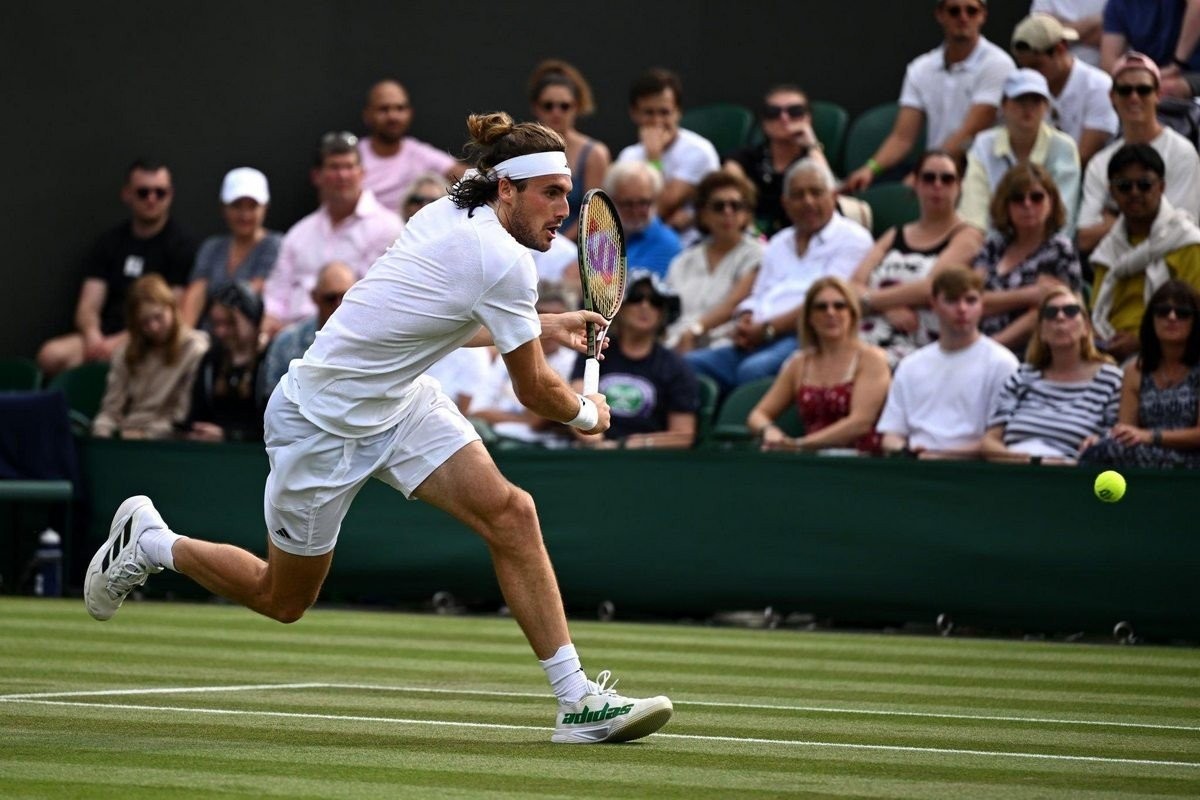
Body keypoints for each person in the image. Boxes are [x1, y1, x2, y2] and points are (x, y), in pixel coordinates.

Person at [84, 111, 673, 746]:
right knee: (282, 599)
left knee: (512, 513)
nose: (564, 208)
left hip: (399, 404)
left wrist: (543, 324)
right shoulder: (503, 260)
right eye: (550, 193)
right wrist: (588, 414)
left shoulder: (455, 210)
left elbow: (432, 318)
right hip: (320, 423)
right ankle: (150, 543)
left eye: (568, 192)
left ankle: (576, 701)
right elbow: (535, 390)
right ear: (506, 190)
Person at [686, 158, 874, 394]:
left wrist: (767, 329)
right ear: (785, 203)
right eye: (798, 195)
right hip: (758, 337)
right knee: (688, 366)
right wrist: (746, 317)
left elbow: (825, 302)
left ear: (834, 196)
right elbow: (759, 294)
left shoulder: (852, 239)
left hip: (806, 337)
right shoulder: (778, 242)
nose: (808, 201)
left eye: (816, 193)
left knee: (753, 371)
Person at [37, 159, 197, 377]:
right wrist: (94, 337)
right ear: (127, 194)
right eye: (143, 192)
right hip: (102, 337)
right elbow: (88, 306)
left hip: (149, 339)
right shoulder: (110, 242)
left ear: (170, 195)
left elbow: (172, 312)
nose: (151, 199)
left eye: (160, 192)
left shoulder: (181, 246)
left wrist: (119, 342)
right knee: (52, 355)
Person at [842, 0, 1015, 193]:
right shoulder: (920, 68)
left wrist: (924, 172)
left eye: (971, 11)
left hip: (983, 174)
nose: (963, 18)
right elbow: (902, 137)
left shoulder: (998, 65)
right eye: (954, 11)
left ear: (983, 15)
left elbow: (969, 132)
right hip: (935, 172)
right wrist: (870, 169)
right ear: (940, 15)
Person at [261, 131, 404, 337]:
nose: (343, 175)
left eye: (349, 167)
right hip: (291, 337)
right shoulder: (299, 233)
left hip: (353, 336)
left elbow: (376, 298)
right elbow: (276, 291)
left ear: (362, 173)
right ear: (316, 176)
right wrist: (271, 319)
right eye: (334, 167)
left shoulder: (388, 227)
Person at [851, 150, 983, 369]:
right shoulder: (894, 234)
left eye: (947, 179)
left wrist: (869, 301)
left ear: (959, 186)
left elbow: (932, 287)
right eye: (929, 178)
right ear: (917, 183)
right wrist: (888, 308)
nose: (937, 185)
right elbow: (852, 286)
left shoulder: (967, 236)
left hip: (918, 347)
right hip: (866, 335)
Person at [876, 266, 1019, 457]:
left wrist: (942, 456)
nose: (962, 309)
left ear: (982, 304)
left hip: (976, 471)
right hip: (914, 468)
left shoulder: (1002, 363)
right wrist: (905, 452)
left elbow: (1001, 439)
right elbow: (892, 434)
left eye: (971, 300)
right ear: (933, 304)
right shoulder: (910, 365)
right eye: (952, 300)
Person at [747, 277, 890, 454]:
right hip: (812, 461)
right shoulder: (799, 363)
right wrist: (768, 430)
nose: (830, 313)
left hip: (860, 462)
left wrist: (800, 444)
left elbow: (860, 423)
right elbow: (758, 414)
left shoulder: (871, 358)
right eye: (821, 307)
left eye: (839, 306)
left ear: (852, 314)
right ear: (809, 318)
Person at [1076, 53, 1200, 254]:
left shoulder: (1182, 152)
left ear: (1158, 95)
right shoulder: (1100, 162)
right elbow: (1085, 238)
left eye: (1143, 90)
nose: (1134, 98)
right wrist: (1147, 214)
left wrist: (1114, 219)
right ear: (1112, 97)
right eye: (1125, 90)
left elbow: (1180, 231)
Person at [982, 286, 1122, 463]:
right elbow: (990, 441)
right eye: (1050, 313)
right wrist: (1029, 462)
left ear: (1086, 327)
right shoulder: (1023, 375)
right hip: (1014, 472)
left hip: (1068, 477)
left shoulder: (1111, 379)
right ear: (1040, 331)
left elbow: (1114, 441)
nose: (1060, 317)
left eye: (1071, 311)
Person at [1090, 144, 1200, 362]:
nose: (1134, 193)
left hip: (1168, 354)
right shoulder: (1108, 250)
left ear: (1161, 187)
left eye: (1144, 185)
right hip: (1106, 354)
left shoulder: (1187, 242)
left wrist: (1141, 340)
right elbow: (1096, 313)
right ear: (1112, 192)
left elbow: (1195, 317)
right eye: (1124, 186)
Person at [571, 272, 698, 449]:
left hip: (646, 462)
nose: (645, 306)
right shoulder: (594, 351)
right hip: (592, 453)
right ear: (618, 307)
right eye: (636, 298)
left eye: (655, 301)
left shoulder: (675, 366)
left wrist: (628, 445)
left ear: (663, 314)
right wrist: (597, 443)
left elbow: (684, 435)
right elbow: (576, 403)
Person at [1081, 280, 1200, 468]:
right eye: (1162, 311)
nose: (1171, 317)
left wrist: (1152, 436)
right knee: (1099, 449)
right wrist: (1103, 439)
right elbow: (1127, 430)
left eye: (1182, 313)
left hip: (1193, 457)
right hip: (1148, 454)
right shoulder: (1135, 370)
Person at [973, 163, 1082, 354]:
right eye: (1018, 199)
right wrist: (1030, 294)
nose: (1027, 204)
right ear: (1005, 205)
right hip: (978, 340)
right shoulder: (994, 245)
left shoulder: (1059, 249)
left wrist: (990, 347)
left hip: (1029, 354)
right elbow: (972, 300)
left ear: (1052, 202)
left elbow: (1051, 311)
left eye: (1036, 197)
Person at [959, 69, 1081, 236]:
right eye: (1020, 100)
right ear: (1004, 105)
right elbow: (973, 214)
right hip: (989, 248)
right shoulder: (983, 144)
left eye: (1036, 101)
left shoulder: (1064, 147)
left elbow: (1062, 218)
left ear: (1046, 107)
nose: (1028, 108)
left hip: (1049, 250)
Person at [91, 274, 210, 440]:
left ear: (172, 308)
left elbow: (181, 417)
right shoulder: (125, 353)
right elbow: (111, 410)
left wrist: (144, 436)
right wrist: (102, 433)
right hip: (126, 435)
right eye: (145, 322)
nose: (153, 327)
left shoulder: (196, 350)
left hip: (167, 441)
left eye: (158, 317)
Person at [664, 171, 761, 353]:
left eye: (736, 205)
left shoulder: (757, 255)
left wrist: (693, 332)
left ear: (746, 214)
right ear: (703, 215)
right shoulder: (683, 261)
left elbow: (733, 304)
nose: (728, 212)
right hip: (674, 344)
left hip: (724, 346)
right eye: (719, 206)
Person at [616, 68, 720, 231]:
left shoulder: (699, 151)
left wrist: (654, 158)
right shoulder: (628, 156)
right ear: (634, 114)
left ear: (678, 112)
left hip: (690, 245)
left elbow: (660, 209)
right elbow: (622, 215)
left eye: (664, 112)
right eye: (648, 112)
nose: (657, 121)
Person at [1010, 12, 1118, 165]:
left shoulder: (1099, 86)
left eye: (1036, 66)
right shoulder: (1023, 89)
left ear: (1060, 49)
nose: (1031, 75)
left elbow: (1084, 155)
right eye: (1025, 67)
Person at [180, 167, 282, 329]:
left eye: (252, 206)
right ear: (223, 208)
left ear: (265, 208)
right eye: (236, 206)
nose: (244, 215)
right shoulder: (212, 247)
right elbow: (196, 293)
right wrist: (183, 338)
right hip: (209, 338)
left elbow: (253, 292)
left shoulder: (275, 245)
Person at [528, 59, 611, 240]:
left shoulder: (594, 154)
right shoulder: (522, 149)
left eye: (564, 106)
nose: (556, 112)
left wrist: (558, 245)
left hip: (576, 253)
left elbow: (595, 216)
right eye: (548, 106)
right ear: (536, 107)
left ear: (576, 107)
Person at [358, 80, 462, 211]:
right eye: (384, 109)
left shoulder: (420, 154)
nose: (393, 116)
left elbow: (465, 175)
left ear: (410, 113)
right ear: (367, 115)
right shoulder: (352, 158)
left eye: (400, 108)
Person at [260, 262, 358, 399]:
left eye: (345, 296)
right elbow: (271, 397)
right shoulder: (287, 343)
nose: (338, 305)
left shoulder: (370, 342)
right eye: (330, 299)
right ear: (314, 297)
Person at [184, 282, 267, 443]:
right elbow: (196, 414)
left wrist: (229, 435)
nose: (220, 331)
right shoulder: (211, 361)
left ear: (252, 320)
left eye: (230, 323)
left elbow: (272, 425)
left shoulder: (268, 361)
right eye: (216, 324)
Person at [1101, 0, 1200, 100]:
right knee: (1132, 91)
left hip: (1194, 72)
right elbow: (1109, 61)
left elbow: (1197, 4)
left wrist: (1176, 64)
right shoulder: (1117, 4)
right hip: (1155, 75)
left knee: (1168, 89)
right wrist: (1138, 77)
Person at [605, 160, 682, 277]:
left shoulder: (668, 243)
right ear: (612, 201)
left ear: (655, 199)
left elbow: (639, 288)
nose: (636, 211)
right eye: (627, 203)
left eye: (643, 203)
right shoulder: (599, 240)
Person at [1031, 0, 1107, 66]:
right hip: (1058, 75)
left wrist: (1061, 30)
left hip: (1104, 74)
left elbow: (1111, 35)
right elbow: (1042, 36)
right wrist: (1094, 22)